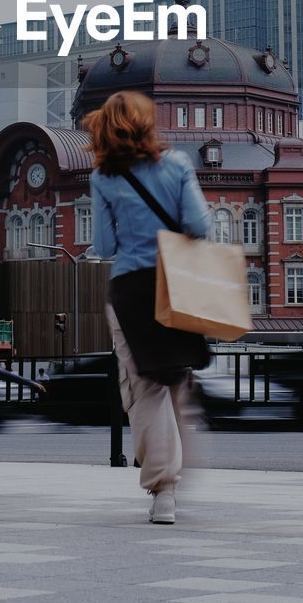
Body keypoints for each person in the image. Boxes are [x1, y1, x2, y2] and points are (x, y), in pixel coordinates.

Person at [85, 90, 211, 526]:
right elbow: (198, 225)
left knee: (144, 387)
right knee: (175, 376)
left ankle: (164, 490)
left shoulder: (102, 177)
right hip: (177, 283)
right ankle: (178, 469)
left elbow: (103, 245)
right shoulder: (176, 165)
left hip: (130, 288)